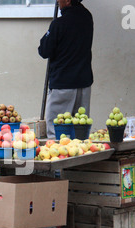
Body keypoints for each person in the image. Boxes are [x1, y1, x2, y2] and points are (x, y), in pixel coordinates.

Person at [38, 0, 94, 139]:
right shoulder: (87, 17)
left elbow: (44, 50)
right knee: (80, 131)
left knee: (57, 133)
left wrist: (50, 31)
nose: (57, 1)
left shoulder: (59, 24)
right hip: (84, 83)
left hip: (63, 85)